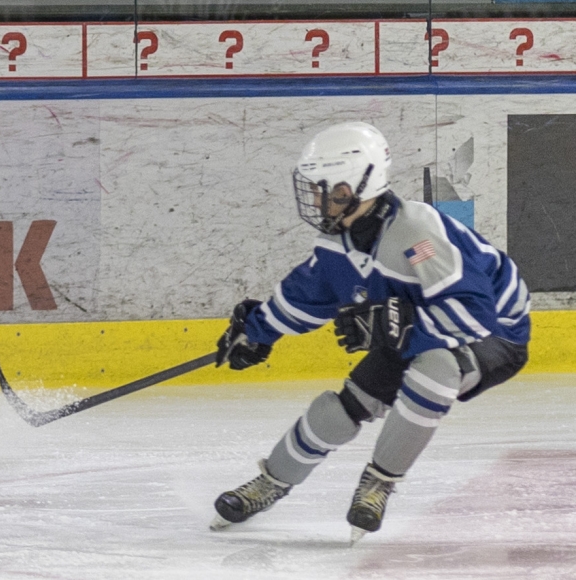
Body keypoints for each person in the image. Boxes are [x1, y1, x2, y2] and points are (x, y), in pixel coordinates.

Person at [211, 121, 531, 541]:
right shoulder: (337, 244)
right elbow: (304, 296)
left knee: (435, 367)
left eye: (324, 190)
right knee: (342, 409)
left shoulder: (417, 235)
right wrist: (257, 332)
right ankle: (270, 482)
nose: (316, 200)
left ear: (353, 188)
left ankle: (378, 483)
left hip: (495, 336)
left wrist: (393, 325)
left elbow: (474, 313)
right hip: (422, 329)